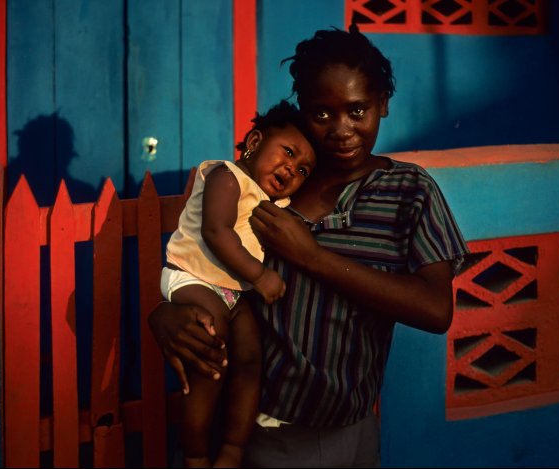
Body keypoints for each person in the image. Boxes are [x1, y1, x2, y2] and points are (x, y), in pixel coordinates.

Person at [149, 24, 468, 467]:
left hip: (350, 430)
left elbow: (436, 310)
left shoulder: (408, 191)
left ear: (383, 105)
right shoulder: (271, 185)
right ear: (304, 111)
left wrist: (313, 257)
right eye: (322, 114)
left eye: (358, 111)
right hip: (260, 430)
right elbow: (207, 258)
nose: (342, 130)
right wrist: (166, 312)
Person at [160, 100, 316, 468]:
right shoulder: (227, 176)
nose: (290, 169)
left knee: (249, 358)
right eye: (288, 153)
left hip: (233, 291)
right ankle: (195, 455)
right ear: (255, 141)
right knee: (212, 353)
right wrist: (261, 276)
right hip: (192, 276)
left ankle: (232, 449)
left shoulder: (275, 201)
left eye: (302, 169)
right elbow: (216, 231)